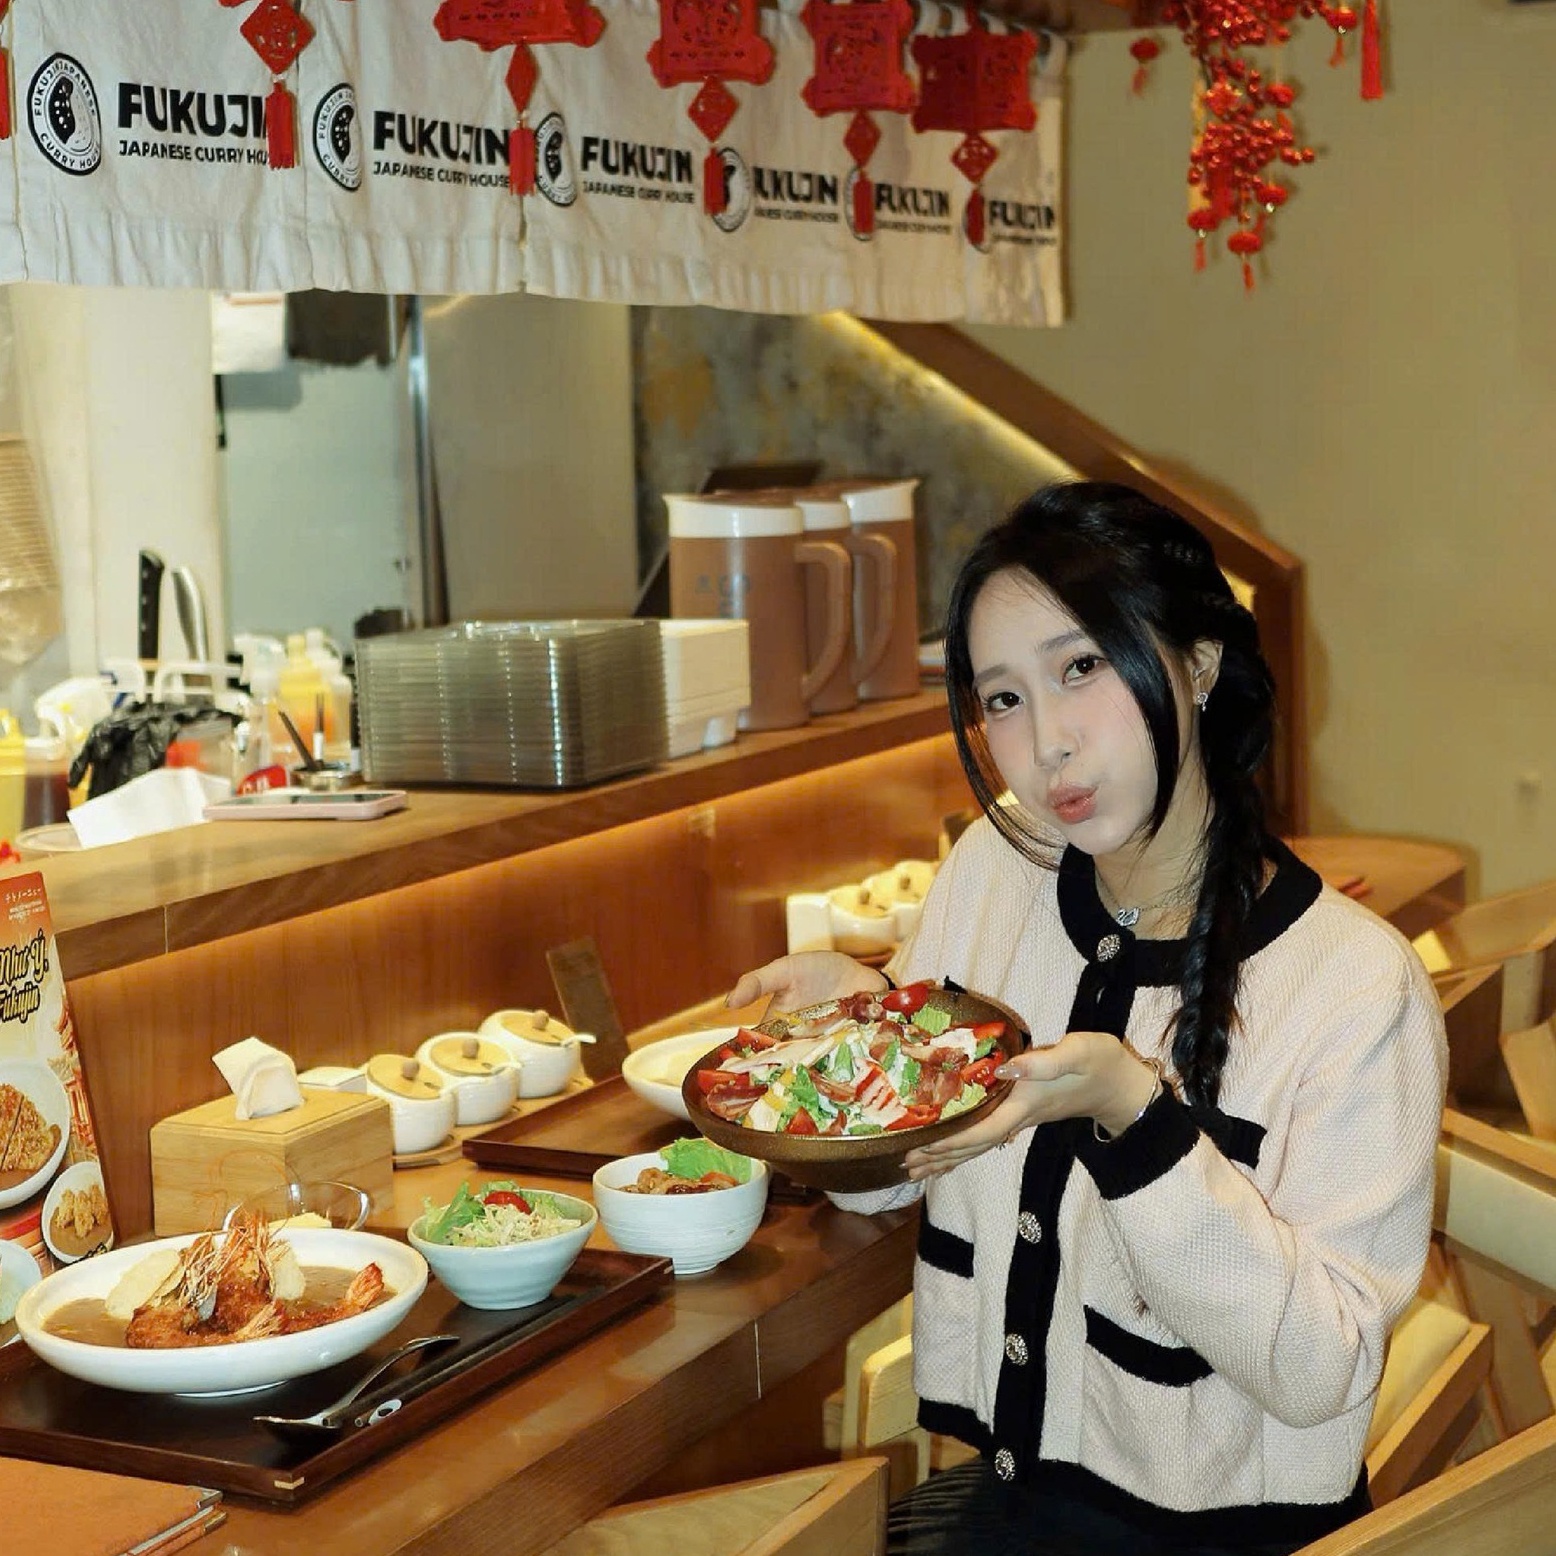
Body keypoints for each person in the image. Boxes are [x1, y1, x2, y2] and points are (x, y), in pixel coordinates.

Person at [727, 482, 1447, 1556]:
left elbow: (1320, 1370)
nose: (1046, 744)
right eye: (1002, 697)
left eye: (1081, 668)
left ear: (1197, 664)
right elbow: (890, 1178)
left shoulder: (1354, 984)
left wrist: (1135, 1120)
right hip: (1019, 1503)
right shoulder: (994, 871)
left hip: (1232, 1536)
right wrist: (860, 1040)